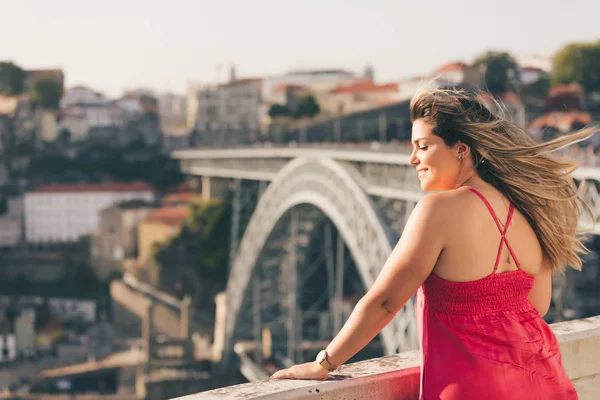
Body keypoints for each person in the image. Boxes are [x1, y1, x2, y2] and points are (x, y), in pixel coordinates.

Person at [271, 87, 596, 399]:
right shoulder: (529, 210)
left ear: (461, 148)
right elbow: (537, 307)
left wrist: (324, 363)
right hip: (544, 383)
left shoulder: (439, 209)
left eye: (423, 146)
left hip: (473, 391)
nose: (413, 159)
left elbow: (385, 303)